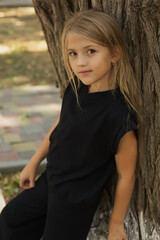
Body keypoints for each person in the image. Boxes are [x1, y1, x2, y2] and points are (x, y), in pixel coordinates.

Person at [0, 9, 143, 240]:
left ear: (114, 53)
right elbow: (60, 124)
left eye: (90, 51)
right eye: (73, 54)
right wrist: (34, 162)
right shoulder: (76, 87)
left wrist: (116, 223)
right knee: (11, 220)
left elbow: (127, 175)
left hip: (74, 200)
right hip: (51, 180)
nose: (81, 62)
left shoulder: (118, 116)